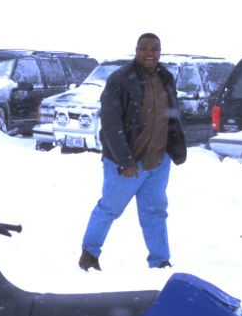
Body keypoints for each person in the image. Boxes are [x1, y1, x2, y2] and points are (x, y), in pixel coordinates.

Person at [79, 32, 187, 270]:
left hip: (158, 160)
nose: (150, 53)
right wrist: (125, 161)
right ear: (137, 51)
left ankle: (160, 261)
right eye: (145, 49)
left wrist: (175, 149)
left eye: (155, 49)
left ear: (160, 52)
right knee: (109, 208)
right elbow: (111, 122)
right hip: (128, 162)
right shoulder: (120, 79)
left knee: (155, 212)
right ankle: (89, 254)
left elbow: (172, 115)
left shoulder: (166, 77)